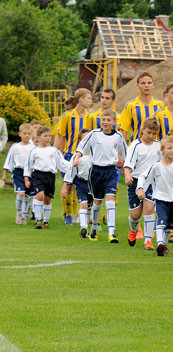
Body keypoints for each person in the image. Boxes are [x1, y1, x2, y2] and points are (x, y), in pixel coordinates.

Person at [74, 110, 127, 242]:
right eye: (103, 119)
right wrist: (77, 157)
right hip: (96, 171)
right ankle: (94, 229)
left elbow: (126, 155)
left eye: (109, 120)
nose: (105, 122)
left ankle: (112, 232)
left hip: (111, 171)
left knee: (110, 199)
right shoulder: (94, 134)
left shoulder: (118, 137)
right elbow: (82, 146)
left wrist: (127, 172)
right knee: (97, 202)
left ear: (114, 122)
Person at [137, 136, 173, 257]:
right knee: (161, 222)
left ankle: (164, 245)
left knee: (169, 227)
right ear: (162, 150)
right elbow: (143, 177)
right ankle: (160, 242)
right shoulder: (156, 166)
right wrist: (141, 189)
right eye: (170, 148)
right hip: (160, 198)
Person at [55, 89, 94, 225]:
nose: (91, 101)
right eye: (88, 98)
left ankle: (78, 213)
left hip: (83, 157)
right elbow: (60, 134)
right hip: (69, 154)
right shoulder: (68, 116)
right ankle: (68, 214)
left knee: (81, 185)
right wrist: (56, 153)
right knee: (68, 185)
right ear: (81, 100)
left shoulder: (90, 117)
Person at [124, 119, 162, 249]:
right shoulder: (136, 145)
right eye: (149, 132)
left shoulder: (158, 146)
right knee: (135, 215)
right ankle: (133, 230)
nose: (151, 135)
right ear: (142, 130)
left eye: (154, 133)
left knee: (149, 209)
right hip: (135, 182)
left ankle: (148, 240)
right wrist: (128, 175)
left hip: (151, 182)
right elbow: (128, 163)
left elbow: (162, 163)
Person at [25, 126, 69, 228]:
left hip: (50, 176)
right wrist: (26, 178)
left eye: (49, 136)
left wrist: (72, 165)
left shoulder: (54, 150)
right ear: (39, 137)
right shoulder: (34, 151)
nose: (48, 138)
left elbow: (61, 163)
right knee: (40, 196)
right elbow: (28, 165)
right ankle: (38, 219)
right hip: (38, 175)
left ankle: (46, 220)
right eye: (45, 136)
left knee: (47, 199)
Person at [62, 128, 93, 237]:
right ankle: (83, 227)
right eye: (84, 139)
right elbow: (70, 171)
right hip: (81, 183)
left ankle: (89, 227)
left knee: (90, 206)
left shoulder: (97, 155)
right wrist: (65, 187)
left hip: (93, 184)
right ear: (80, 141)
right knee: (83, 204)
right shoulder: (77, 156)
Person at [3, 123, 35, 224]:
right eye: (25, 133)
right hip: (18, 172)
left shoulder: (33, 147)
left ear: (31, 135)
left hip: (30, 173)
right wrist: (4, 174)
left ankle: (24, 216)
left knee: (27, 195)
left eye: (29, 134)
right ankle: (19, 213)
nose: (27, 135)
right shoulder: (15, 147)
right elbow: (9, 160)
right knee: (20, 193)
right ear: (20, 134)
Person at [118, 72, 165, 142]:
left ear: (153, 85)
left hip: (155, 148)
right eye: (143, 83)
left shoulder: (160, 105)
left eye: (149, 83)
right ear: (137, 85)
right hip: (137, 147)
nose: (146, 85)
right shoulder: (130, 105)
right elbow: (124, 130)